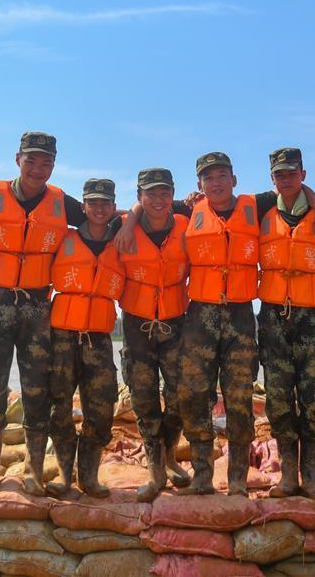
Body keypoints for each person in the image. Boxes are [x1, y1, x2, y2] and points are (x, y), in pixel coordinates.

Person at [115, 152, 315, 496]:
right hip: (199, 316)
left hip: (240, 316)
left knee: (239, 398)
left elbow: (294, 189)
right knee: (193, 396)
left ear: (234, 179)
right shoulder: (188, 211)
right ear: (199, 185)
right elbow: (150, 205)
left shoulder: (256, 205)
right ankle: (202, 476)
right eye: (208, 178)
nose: (215, 183)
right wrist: (130, 220)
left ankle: (237, 481)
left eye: (222, 176)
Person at [0, 131, 85, 499]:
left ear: (53, 165)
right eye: (31, 160)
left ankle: (34, 470)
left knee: (37, 392)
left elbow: (103, 217)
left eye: (46, 162)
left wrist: (145, 211)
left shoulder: (62, 203)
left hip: (36, 307)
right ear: (17, 159)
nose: (38, 168)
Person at [257, 147, 315, 502]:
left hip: (312, 320)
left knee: (310, 403)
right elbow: (222, 205)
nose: (285, 178)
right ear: (272, 178)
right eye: (279, 174)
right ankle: (287, 478)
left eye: (291, 172)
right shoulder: (262, 210)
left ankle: (312, 480)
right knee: (277, 401)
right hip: (274, 318)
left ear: (303, 174)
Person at [46, 178, 124, 498]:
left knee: (103, 406)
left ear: (113, 205)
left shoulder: (122, 239)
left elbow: (145, 214)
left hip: (99, 338)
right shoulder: (63, 238)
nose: (99, 208)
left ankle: (88, 475)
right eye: (93, 203)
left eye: (105, 203)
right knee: (58, 406)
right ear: (83, 206)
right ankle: (65, 475)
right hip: (62, 335)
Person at [118, 168, 192, 502]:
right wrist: (132, 217)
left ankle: (170, 456)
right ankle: (154, 469)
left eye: (165, 194)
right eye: (151, 194)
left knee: (179, 394)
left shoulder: (187, 222)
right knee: (143, 397)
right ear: (139, 197)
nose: (158, 201)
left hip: (176, 322)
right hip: (137, 324)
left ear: (173, 195)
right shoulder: (122, 228)